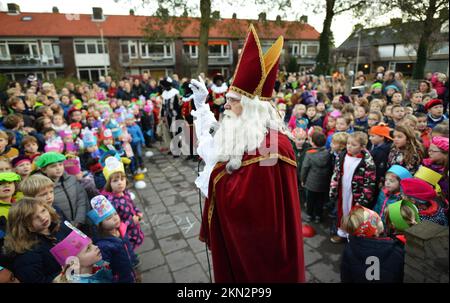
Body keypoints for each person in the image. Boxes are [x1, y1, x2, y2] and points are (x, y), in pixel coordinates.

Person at [191, 24, 305, 282]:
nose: (227, 105)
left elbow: (249, 206)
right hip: (242, 245)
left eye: (233, 101)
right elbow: (217, 152)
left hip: (261, 254)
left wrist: (216, 178)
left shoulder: (273, 147)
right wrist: (202, 108)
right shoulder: (245, 132)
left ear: (251, 106)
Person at [4, 198, 72, 283]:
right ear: (22, 224)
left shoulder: (59, 227)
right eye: (33, 217)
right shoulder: (26, 253)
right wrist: (67, 272)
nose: (43, 217)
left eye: (43, 210)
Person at [329, 132, 376, 243]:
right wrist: (333, 189)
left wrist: (363, 199)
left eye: (353, 145)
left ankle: (352, 238)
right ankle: (342, 233)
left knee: (354, 216)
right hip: (343, 191)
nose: (349, 146)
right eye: (348, 143)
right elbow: (336, 173)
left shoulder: (367, 162)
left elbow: (369, 182)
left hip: (356, 194)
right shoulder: (342, 156)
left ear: (362, 147)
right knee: (343, 212)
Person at [340, 205, 405, 283]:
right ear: (374, 230)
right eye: (377, 220)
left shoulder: (349, 249)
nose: (381, 219)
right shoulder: (396, 250)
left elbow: (345, 276)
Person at [87, 195, 138, 283]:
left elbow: (127, 245)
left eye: (115, 214)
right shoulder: (102, 246)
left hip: (129, 267)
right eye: (109, 218)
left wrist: (132, 259)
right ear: (100, 225)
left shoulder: (120, 228)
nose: (115, 218)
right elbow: (104, 269)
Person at [35, 152, 89, 229]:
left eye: (60, 164)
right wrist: (65, 226)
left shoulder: (72, 179)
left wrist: (79, 220)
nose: (58, 168)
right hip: (59, 227)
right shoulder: (41, 187)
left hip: (80, 223)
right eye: (53, 166)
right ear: (44, 170)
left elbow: (81, 200)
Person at [100, 157, 144, 250]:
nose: (120, 183)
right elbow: (115, 224)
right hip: (126, 234)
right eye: (115, 181)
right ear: (109, 184)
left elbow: (131, 205)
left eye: (122, 179)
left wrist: (137, 212)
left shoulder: (125, 192)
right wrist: (131, 221)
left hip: (134, 228)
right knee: (128, 250)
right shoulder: (112, 202)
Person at [300, 132, 332, 223]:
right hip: (323, 182)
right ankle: (318, 216)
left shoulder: (310, 153)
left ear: (312, 143)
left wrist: (302, 179)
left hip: (311, 182)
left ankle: (309, 215)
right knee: (320, 200)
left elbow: (305, 168)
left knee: (310, 200)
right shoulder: (328, 153)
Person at [368, 123, 393, 192]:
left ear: (382, 137)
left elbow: (381, 167)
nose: (370, 138)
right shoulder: (376, 147)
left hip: (377, 180)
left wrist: (381, 180)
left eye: (372, 136)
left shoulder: (382, 151)